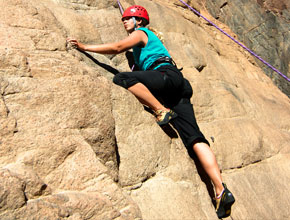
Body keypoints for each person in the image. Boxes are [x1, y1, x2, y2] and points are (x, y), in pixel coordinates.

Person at [67, 5, 235, 219]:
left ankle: (160, 111)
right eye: (124, 18)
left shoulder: (142, 33)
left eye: (128, 18)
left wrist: (84, 46)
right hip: (177, 85)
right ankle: (220, 190)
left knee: (123, 78)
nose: (124, 21)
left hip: (165, 75)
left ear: (139, 20)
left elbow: (118, 46)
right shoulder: (147, 47)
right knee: (195, 139)